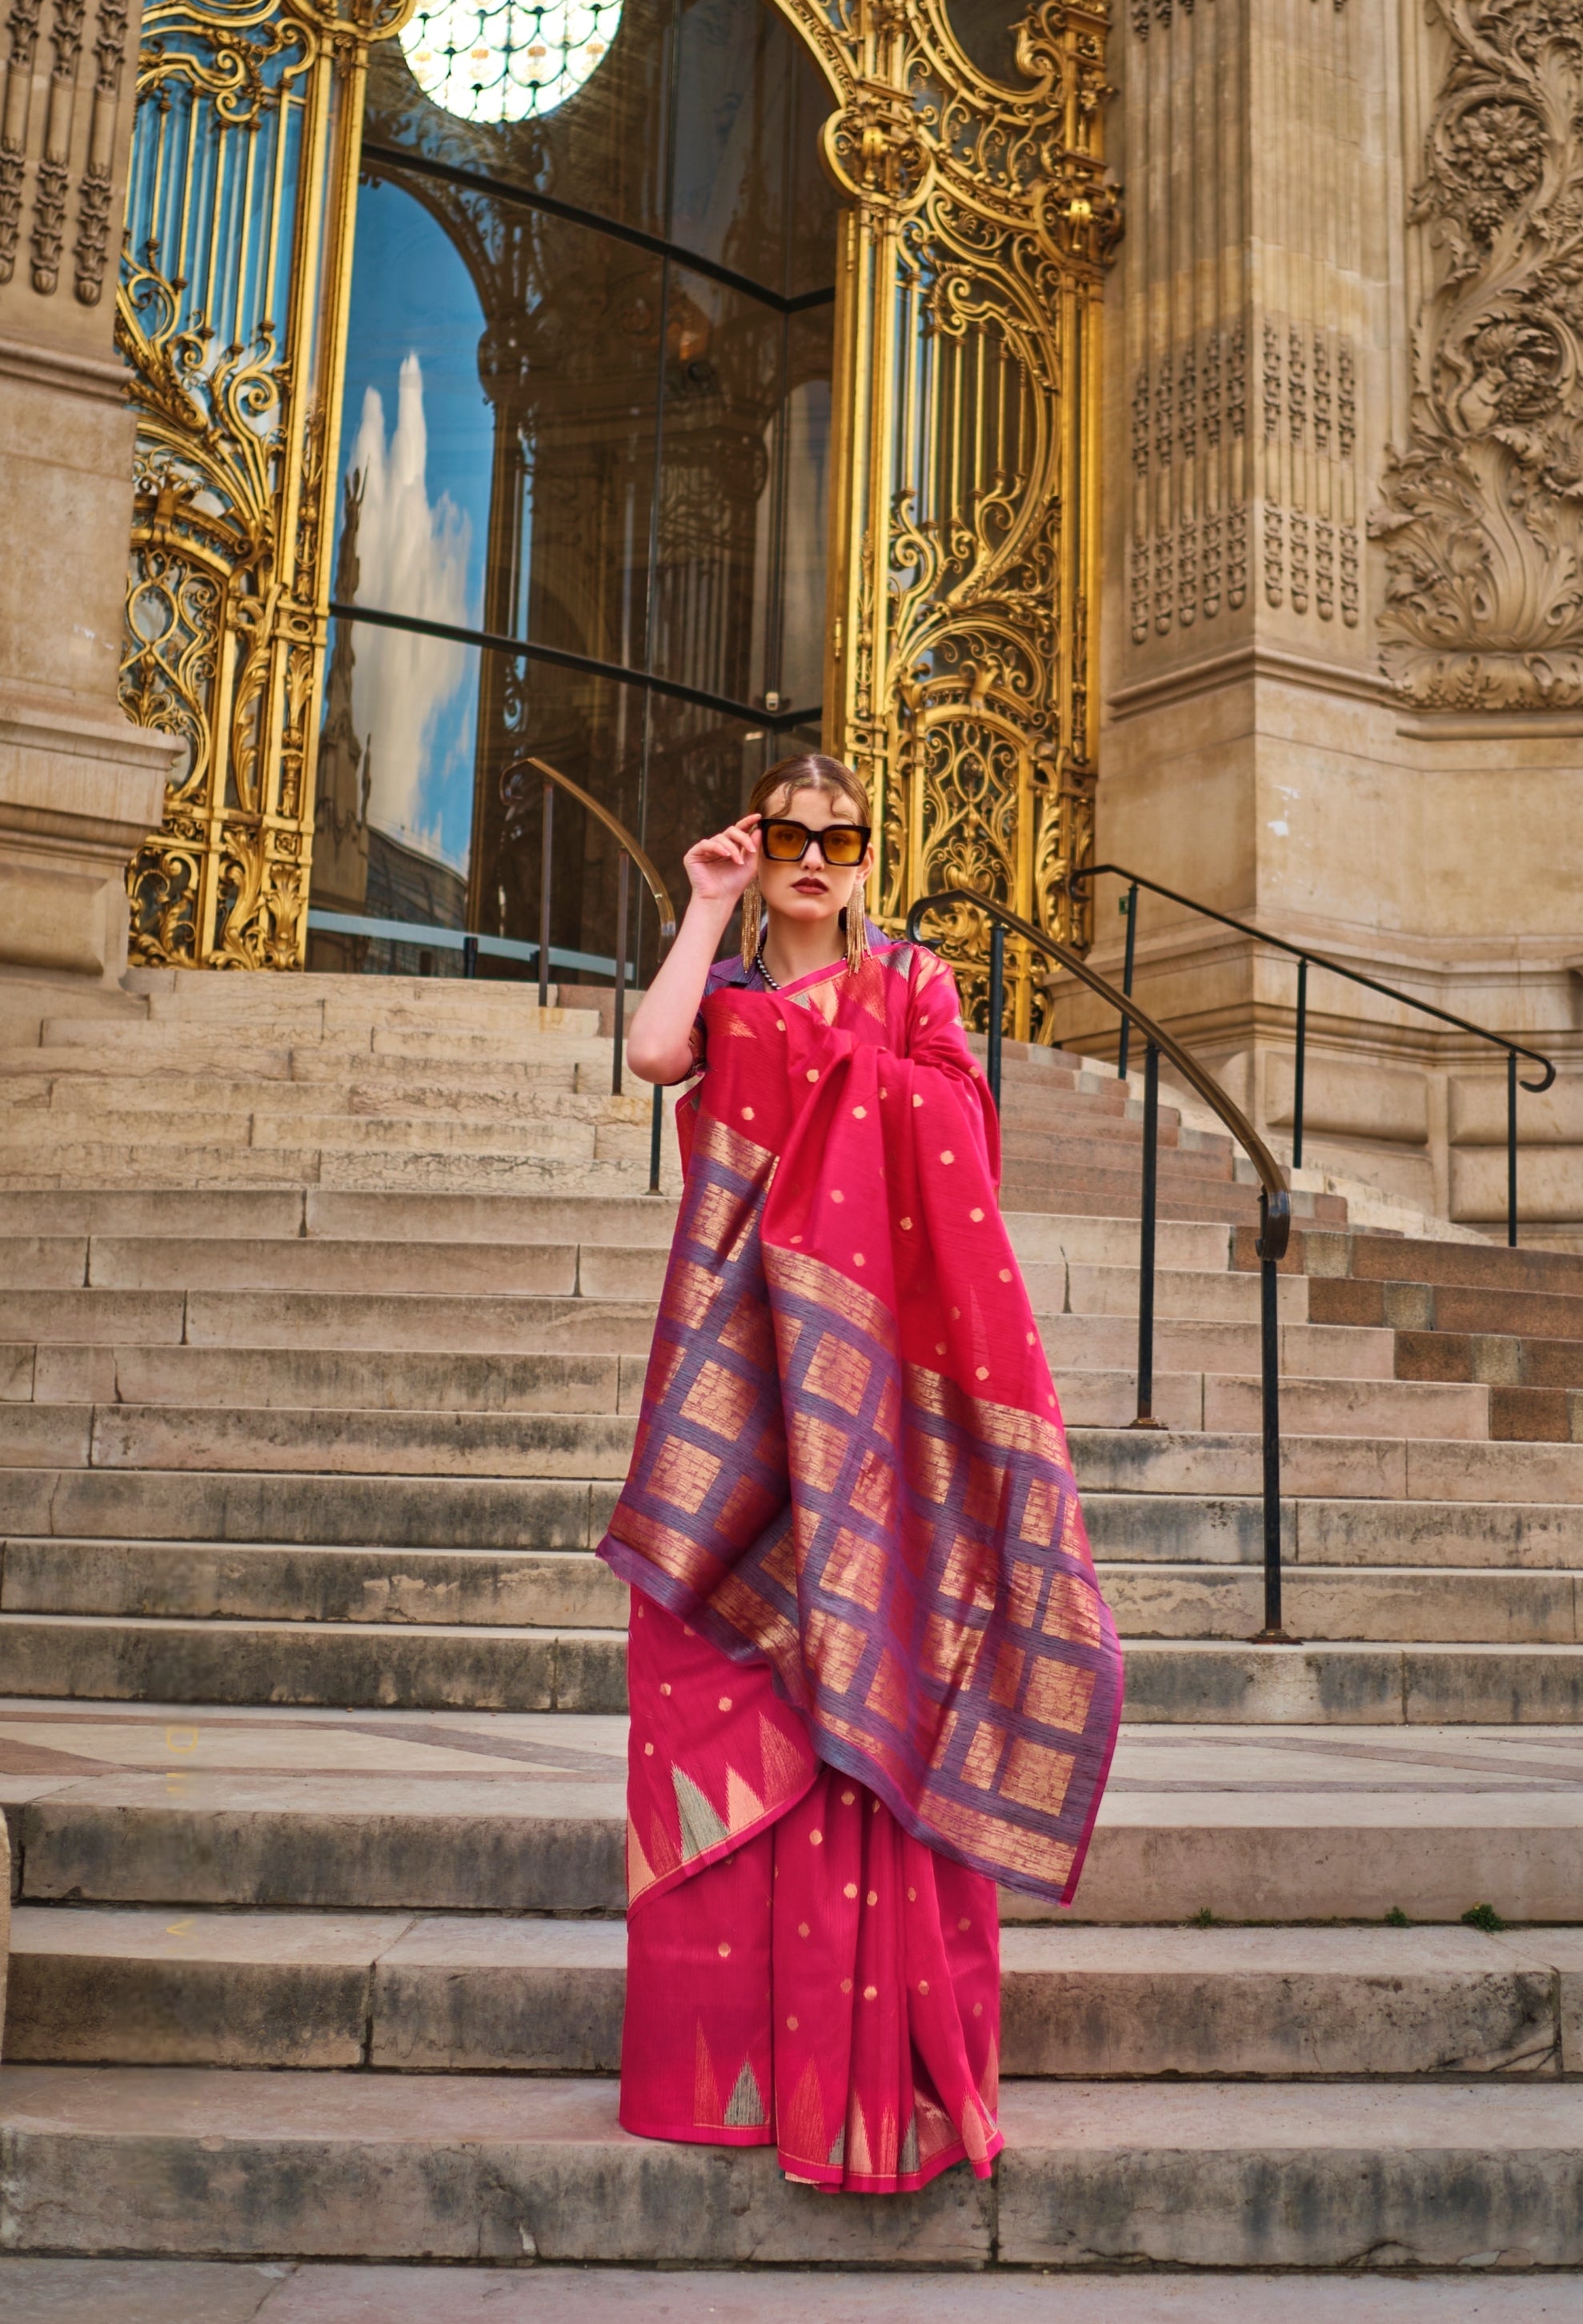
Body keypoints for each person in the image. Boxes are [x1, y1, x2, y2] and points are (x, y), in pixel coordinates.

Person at [601, 750, 1123, 2194]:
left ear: (870, 855)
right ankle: (734, 2072)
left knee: (874, 1662)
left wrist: (845, 1072)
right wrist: (703, 909)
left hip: (877, 1389)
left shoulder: (915, 989)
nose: (813, 857)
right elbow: (653, 1059)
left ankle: (869, 2071)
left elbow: (959, 1132)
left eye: (839, 838)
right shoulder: (736, 995)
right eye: (786, 836)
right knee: (724, 1670)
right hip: (741, 1374)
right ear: (754, 846)